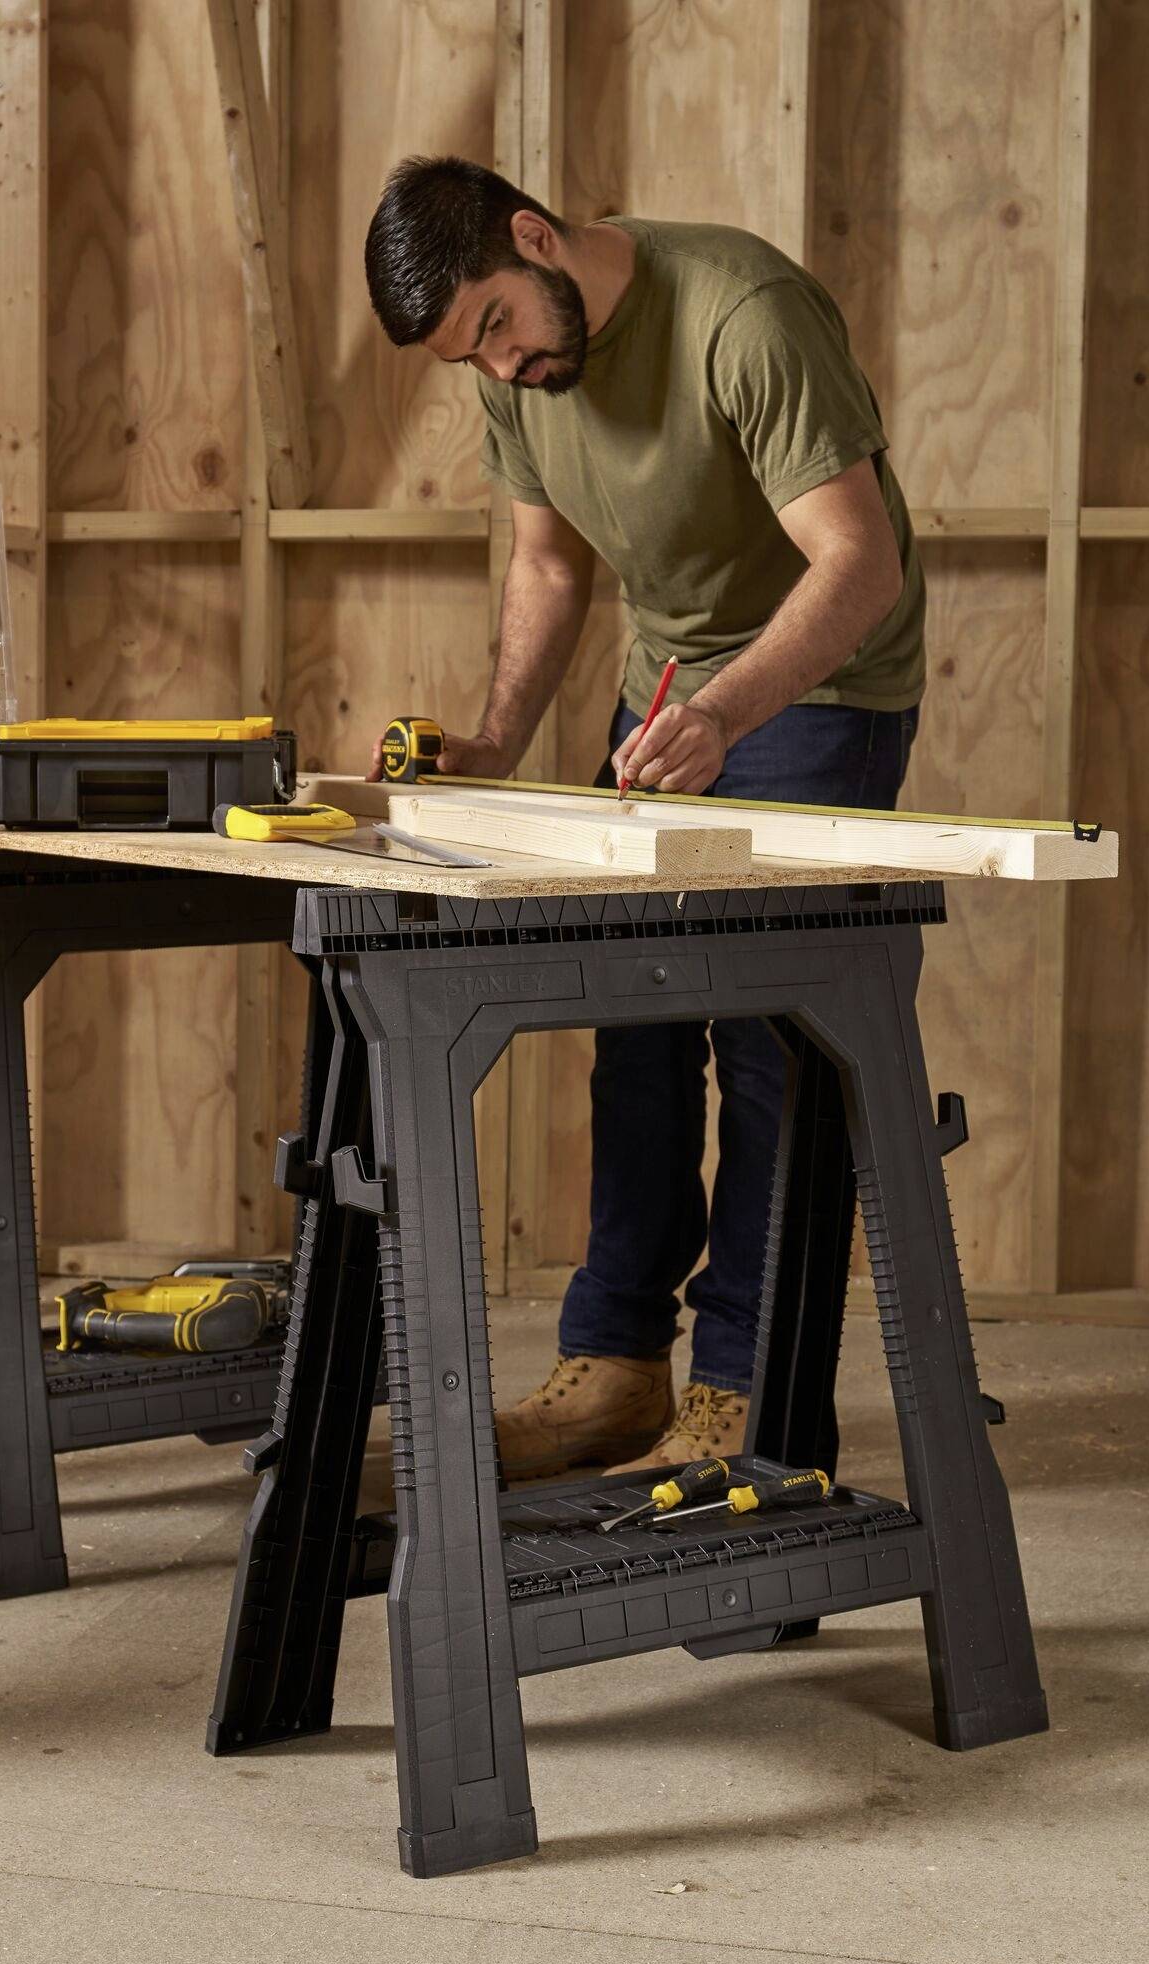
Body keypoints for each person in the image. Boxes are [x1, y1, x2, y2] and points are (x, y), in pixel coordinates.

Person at [361, 157, 925, 1478]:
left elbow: (862, 563)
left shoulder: (742, 313)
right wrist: (498, 739)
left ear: (538, 237)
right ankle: (615, 1371)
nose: (500, 368)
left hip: (816, 680)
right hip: (669, 689)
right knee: (640, 1019)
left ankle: (746, 1393)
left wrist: (732, 716)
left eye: (498, 323)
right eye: (469, 358)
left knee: (777, 1044)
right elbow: (551, 564)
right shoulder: (520, 378)